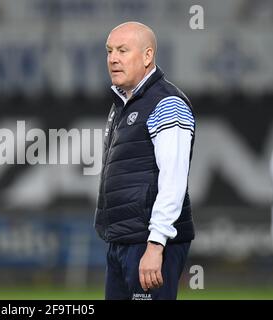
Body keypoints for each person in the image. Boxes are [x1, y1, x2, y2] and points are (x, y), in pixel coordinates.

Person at [94, 21, 196, 300]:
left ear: (148, 56)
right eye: (109, 51)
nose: (113, 58)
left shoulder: (166, 103)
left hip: (148, 243)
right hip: (123, 241)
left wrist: (155, 244)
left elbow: (173, 180)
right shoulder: (121, 107)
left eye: (123, 50)